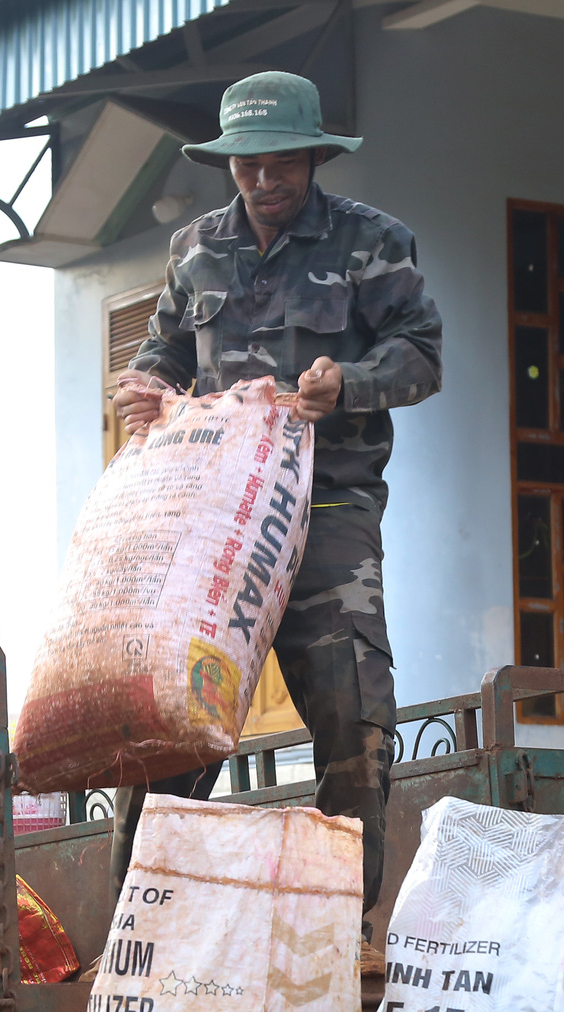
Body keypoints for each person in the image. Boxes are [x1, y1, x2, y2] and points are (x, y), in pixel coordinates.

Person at [108, 70, 443, 919]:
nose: (263, 181)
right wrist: (147, 386)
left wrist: (351, 385)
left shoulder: (373, 243)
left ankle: (340, 933)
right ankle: (140, 930)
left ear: (313, 156)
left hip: (327, 511)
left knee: (354, 720)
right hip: (217, 525)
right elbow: (167, 352)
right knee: (169, 728)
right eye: (247, 165)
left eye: (281, 162)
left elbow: (423, 356)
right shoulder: (193, 250)